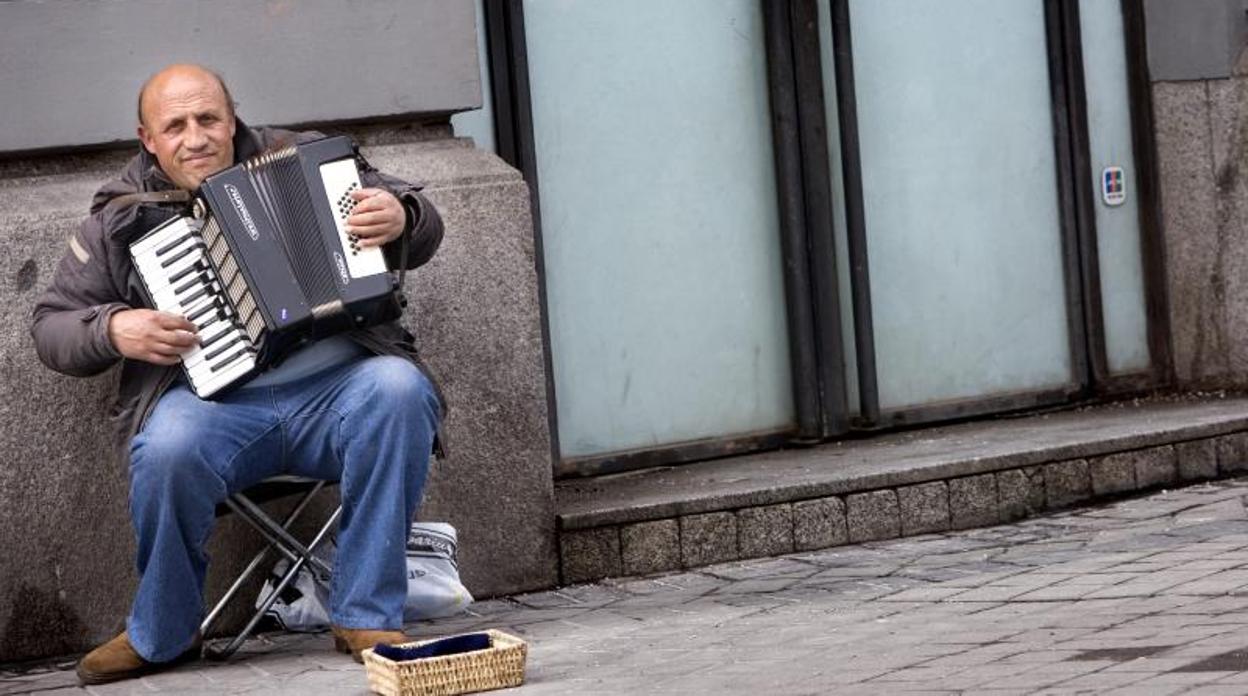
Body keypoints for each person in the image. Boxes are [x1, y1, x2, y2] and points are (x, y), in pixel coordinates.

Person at [30, 64, 446, 685]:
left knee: (401, 389)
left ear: (232, 119)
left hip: (337, 395)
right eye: (175, 126)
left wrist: (404, 218)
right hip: (213, 412)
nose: (195, 137)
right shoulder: (120, 215)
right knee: (167, 448)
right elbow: (50, 327)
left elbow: (421, 220)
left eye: (208, 119)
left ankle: (365, 613)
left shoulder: (306, 161)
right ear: (148, 139)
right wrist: (116, 328)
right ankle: (163, 633)